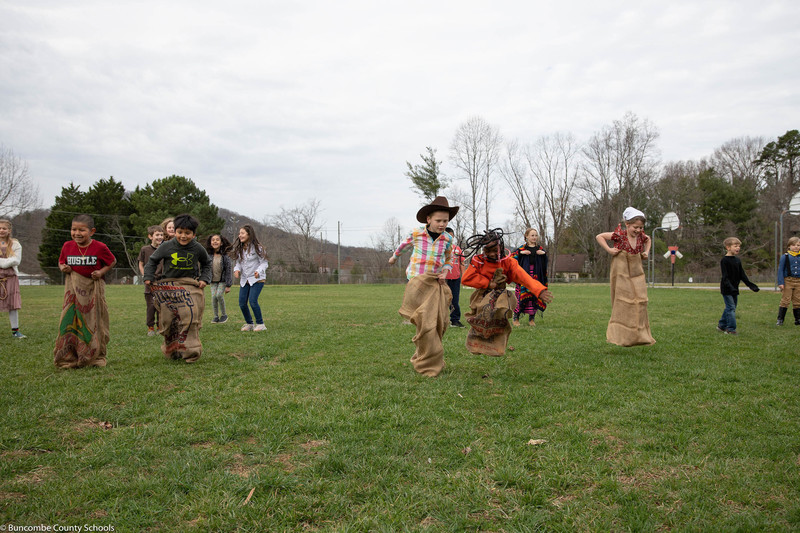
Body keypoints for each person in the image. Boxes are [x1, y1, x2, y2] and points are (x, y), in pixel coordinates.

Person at [390, 196, 458, 377]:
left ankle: (428, 355)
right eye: (439, 220)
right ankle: (426, 356)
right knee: (423, 320)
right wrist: (394, 257)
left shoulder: (447, 240)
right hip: (417, 281)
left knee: (437, 322)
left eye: (445, 221)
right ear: (429, 219)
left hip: (435, 282)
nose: (442, 224)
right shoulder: (416, 234)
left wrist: (445, 271)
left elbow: (450, 259)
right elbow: (403, 246)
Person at [461, 228, 553, 356]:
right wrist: (488, 283)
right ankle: (477, 346)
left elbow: (524, 277)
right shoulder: (478, 260)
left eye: (495, 251)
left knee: (500, 315)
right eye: (488, 250)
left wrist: (539, 290)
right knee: (482, 319)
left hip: (501, 295)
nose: (492, 254)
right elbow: (466, 278)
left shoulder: (508, 262)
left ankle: (496, 347)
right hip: (481, 296)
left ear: (501, 248)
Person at [144, 213, 212, 362]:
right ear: (174, 232)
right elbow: (152, 261)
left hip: (190, 285)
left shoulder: (197, 248)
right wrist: (148, 277)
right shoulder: (166, 246)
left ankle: (191, 351)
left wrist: (204, 279)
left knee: (190, 316)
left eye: (187, 233)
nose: (183, 236)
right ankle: (172, 350)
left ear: (194, 234)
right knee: (168, 321)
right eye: (180, 232)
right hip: (169, 285)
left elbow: (207, 263)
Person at [54, 214, 117, 368]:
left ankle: (95, 355)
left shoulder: (100, 247)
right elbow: (61, 261)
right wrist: (63, 267)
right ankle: (70, 354)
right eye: (74, 229)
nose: (77, 233)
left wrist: (101, 272)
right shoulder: (67, 246)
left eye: (81, 230)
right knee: (71, 319)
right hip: (73, 290)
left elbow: (112, 261)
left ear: (92, 231)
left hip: (93, 289)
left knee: (93, 319)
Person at [595, 207, 655, 346]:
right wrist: (610, 250)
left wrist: (646, 252)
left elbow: (648, 239)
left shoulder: (641, 236)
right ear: (627, 224)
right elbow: (600, 236)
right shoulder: (620, 235)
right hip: (621, 271)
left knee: (641, 300)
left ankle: (640, 335)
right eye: (635, 227)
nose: (638, 230)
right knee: (623, 301)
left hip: (636, 271)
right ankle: (621, 336)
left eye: (641, 227)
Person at [717, 236, 760, 335]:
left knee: (731, 307)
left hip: (734, 288)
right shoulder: (724, 260)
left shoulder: (737, 260)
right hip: (727, 288)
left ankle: (721, 325)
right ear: (728, 247)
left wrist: (751, 285)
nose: (738, 248)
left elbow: (742, 275)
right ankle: (730, 329)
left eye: (739, 246)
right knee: (731, 307)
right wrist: (730, 287)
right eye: (735, 246)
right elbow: (725, 277)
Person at [231, 225, 269, 332]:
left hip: (257, 279)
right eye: (239, 233)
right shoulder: (240, 249)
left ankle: (261, 324)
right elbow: (238, 263)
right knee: (242, 303)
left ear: (249, 234)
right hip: (245, 279)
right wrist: (236, 270)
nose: (240, 235)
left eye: (242, 233)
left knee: (253, 301)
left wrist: (258, 271)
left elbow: (264, 263)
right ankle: (249, 323)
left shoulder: (258, 248)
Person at [511, 228, 548, 327]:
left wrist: (543, 255)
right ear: (526, 236)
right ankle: (516, 317)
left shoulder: (540, 249)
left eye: (536, 235)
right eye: (532, 235)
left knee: (534, 296)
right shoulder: (521, 249)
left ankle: (532, 319)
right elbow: (511, 259)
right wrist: (521, 254)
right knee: (520, 297)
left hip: (536, 276)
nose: (534, 237)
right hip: (524, 276)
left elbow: (545, 263)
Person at [137, 225, 164, 336]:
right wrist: (146, 276)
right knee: (151, 306)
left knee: (161, 306)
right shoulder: (145, 249)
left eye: (161, 235)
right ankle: (150, 327)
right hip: (150, 282)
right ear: (150, 236)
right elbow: (141, 263)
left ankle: (160, 326)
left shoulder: (165, 249)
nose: (159, 237)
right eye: (157, 235)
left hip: (162, 282)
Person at [0, 219, 25, 338]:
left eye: (4, 228)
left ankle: (15, 331)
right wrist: (7, 262)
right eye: (0, 228)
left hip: (10, 278)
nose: (1, 230)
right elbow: (10, 261)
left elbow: (16, 260)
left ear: (9, 230)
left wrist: (3, 263)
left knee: (12, 305)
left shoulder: (15, 244)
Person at [205, 233, 233, 324]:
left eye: (217, 240)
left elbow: (228, 270)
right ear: (210, 243)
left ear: (221, 243)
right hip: (213, 281)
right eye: (213, 240)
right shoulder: (208, 255)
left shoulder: (225, 256)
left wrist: (228, 285)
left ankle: (224, 315)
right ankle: (216, 316)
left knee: (219, 295)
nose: (215, 241)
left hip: (222, 281)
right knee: (213, 297)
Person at [776, 237, 800, 325]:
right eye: (793, 245)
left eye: (798, 245)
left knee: (798, 300)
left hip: (798, 281)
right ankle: (780, 319)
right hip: (788, 281)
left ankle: (798, 319)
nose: (796, 247)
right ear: (789, 246)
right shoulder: (785, 257)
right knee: (785, 300)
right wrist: (781, 282)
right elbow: (780, 270)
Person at [444, 227, 465, 328]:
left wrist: (464, 276)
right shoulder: (440, 248)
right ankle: (438, 320)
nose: (450, 238)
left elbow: (462, 263)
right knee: (440, 299)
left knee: (454, 300)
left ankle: (455, 320)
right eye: (448, 236)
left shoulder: (457, 249)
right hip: (442, 278)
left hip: (455, 278)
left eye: (451, 236)